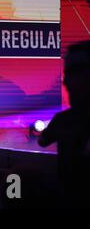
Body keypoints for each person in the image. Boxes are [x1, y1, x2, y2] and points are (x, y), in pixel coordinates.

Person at [38, 40, 90, 207]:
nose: (65, 82)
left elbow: (43, 140)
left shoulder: (64, 120)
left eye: (72, 73)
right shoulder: (64, 120)